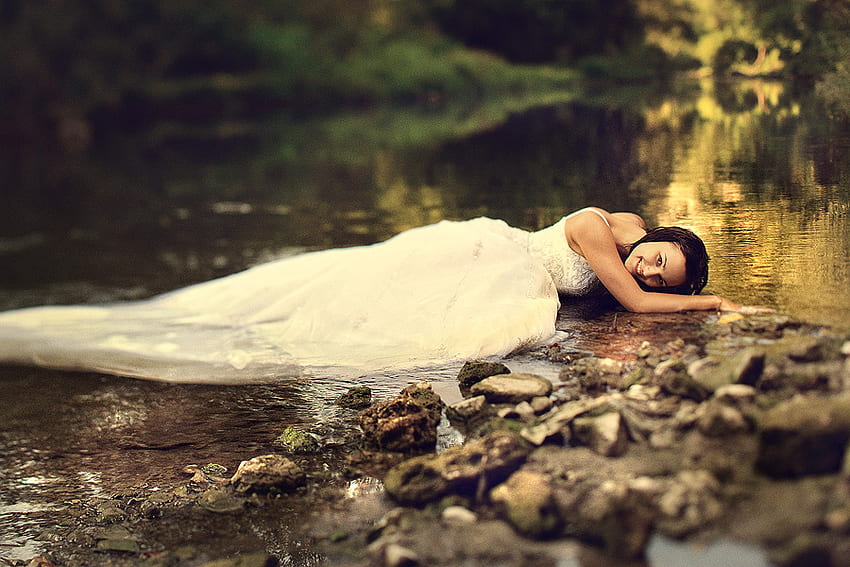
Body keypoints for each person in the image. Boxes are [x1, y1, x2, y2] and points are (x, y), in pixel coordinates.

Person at [0, 207, 740, 383]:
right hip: (485, 253)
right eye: (659, 260)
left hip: (498, 258)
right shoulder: (593, 228)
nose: (646, 272)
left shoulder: (624, 237)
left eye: (659, 275)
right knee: (372, 318)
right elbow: (639, 310)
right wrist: (710, 305)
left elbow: (633, 299)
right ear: (662, 234)